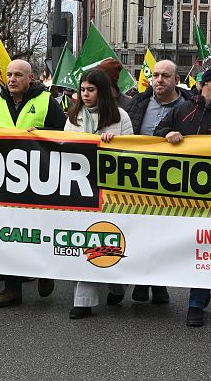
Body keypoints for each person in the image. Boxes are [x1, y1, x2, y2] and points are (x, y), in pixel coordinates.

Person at [154, 60, 211, 327]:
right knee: (169, 244)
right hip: (176, 195)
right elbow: (156, 134)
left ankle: (196, 303)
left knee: (204, 250)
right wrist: (167, 133)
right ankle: (156, 285)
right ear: (206, 82)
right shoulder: (182, 110)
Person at [0, 59, 66, 307]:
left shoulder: (47, 102)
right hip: (5, 177)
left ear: (30, 78)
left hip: (39, 177)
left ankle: (44, 271)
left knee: (38, 228)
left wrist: (43, 134)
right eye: (9, 74)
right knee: (9, 231)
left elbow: (64, 135)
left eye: (18, 75)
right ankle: (12, 288)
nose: (12, 79)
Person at [65, 69, 134, 319]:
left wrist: (114, 144)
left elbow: (132, 153)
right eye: (82, 89)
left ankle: (116, 285)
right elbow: (64, 148)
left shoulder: (121, 117)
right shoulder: (73, 117)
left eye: (91, 90)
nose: (85, 94)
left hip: (112, 191)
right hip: (81, 189)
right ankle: (82, 301)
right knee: (86, 240)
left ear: (102, 91)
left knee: (110, 237)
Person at [123, 59, 192, 305]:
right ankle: (145, 281)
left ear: (177, 80)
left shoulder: (189, 106)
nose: (159, 80)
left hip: (173, 183)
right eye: (156, 75)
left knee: (164, 237)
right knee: (141, 235)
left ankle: (158, 282)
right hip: (138, 181)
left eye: (165, 76)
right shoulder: (137, 103)